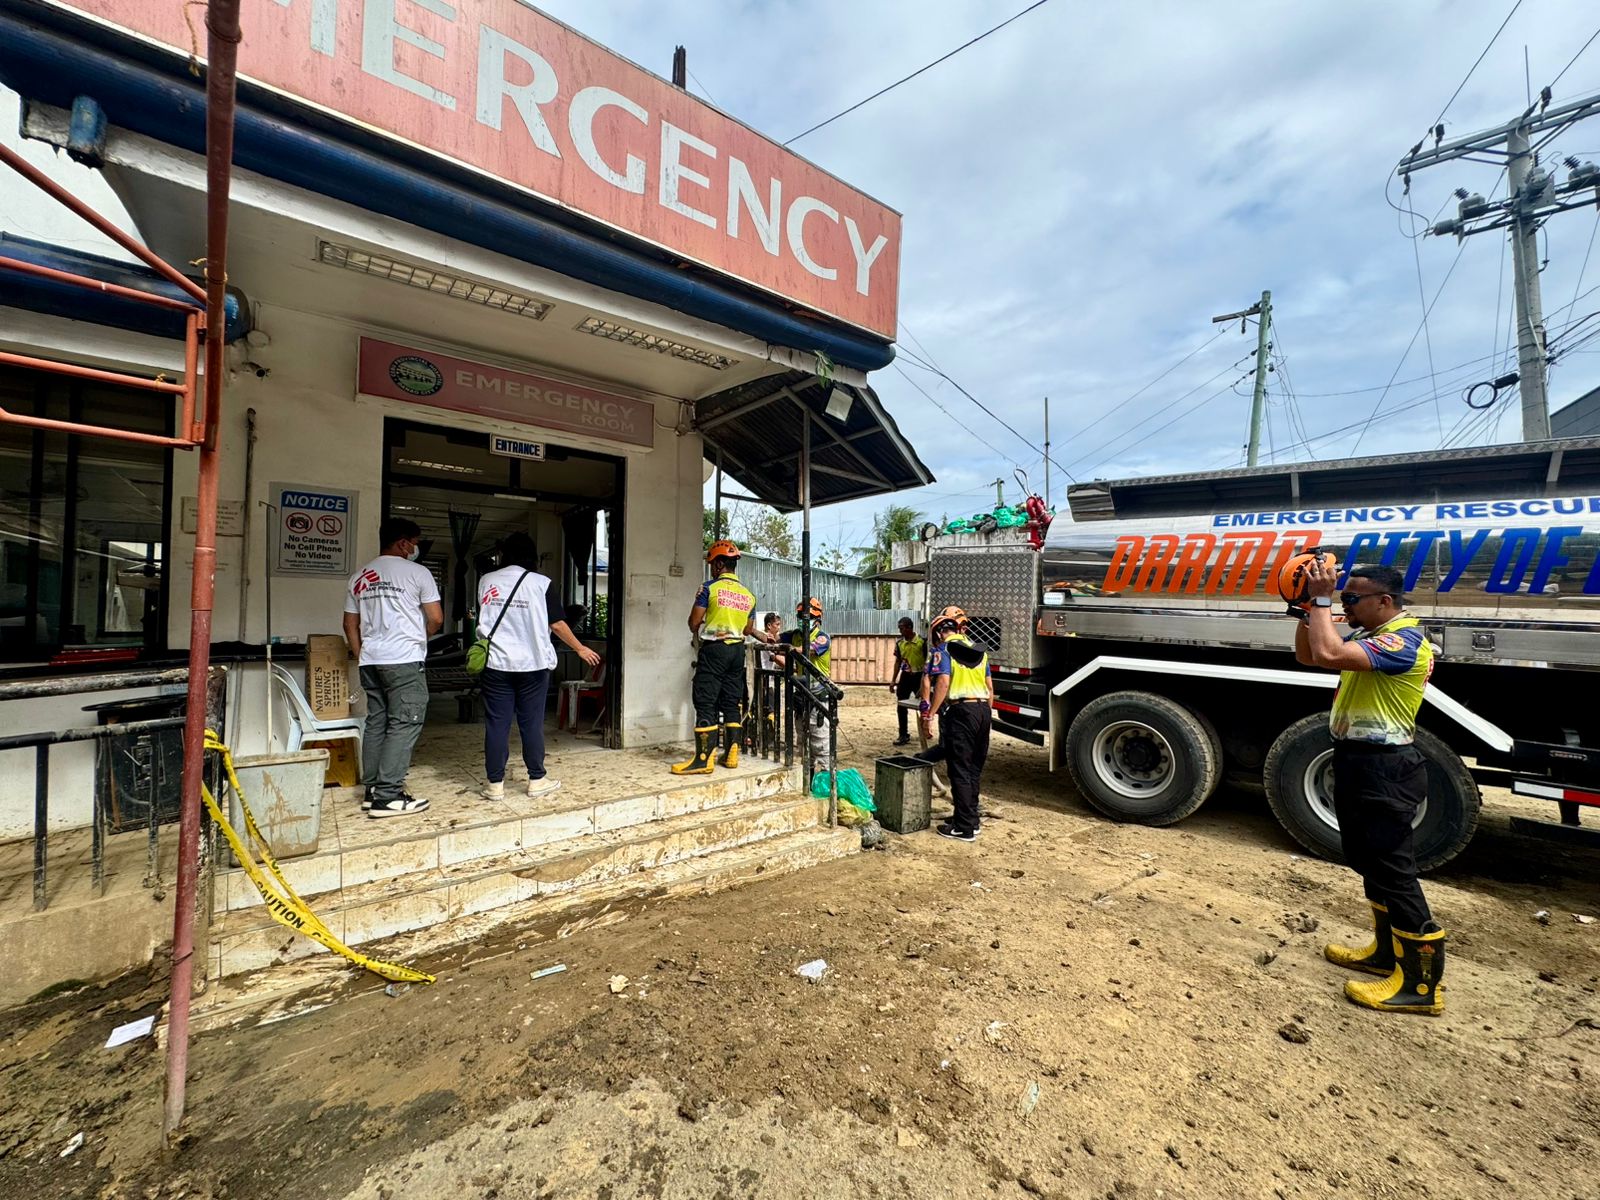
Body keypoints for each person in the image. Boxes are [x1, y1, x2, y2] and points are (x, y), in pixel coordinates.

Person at [1295, 561, 1446, 1016]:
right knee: (1369, 861)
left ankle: (1421, 987)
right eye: (1342, 598)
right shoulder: (1370, 636)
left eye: (1351, 598)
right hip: (1358, 761)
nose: (1345, 606)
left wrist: (1322, 602)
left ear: (1384, 600)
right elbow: (1308, 655)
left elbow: (1328, 655)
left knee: (1394, 871)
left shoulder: (1403, 640)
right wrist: (1306, 608)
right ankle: (1385, 954)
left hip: (1386, 767)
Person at [478, 532, 600, 801]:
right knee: (531, 723)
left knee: (496, 724)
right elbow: (557, 624)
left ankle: (494, 785)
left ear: (505, 554)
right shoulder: (541, 583)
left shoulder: (486, 580)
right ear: (531, 556)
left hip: (495, 664)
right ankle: (536, 779)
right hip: (532, 666)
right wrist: (579, 648)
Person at [343, 517, 443, 819]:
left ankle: (372, 791)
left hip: (371, 660)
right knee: (405, 722)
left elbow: (349, 624)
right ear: (403, 543)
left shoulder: (360, 576)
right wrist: (418, 639)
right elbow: (436, 618)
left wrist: (362, 654)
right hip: (403, 660)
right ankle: (388, 797)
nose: (415, 549)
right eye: (414, 543)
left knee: (377, 721)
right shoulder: (418, 573)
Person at [675, 541, 767, 774]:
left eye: (711, 565)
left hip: (714, 650)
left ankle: (703, 760)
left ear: (718, 564)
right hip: (737, 652)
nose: (711, 569)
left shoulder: (709, 588)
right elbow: (747, 629)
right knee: (731, 701)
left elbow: (694, 623)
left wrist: (703, 616)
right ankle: (731, 754)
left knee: (705, 700)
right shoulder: (749, 596)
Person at [917, 606, 992, 843]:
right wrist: (984, 713)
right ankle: (969, 818)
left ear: (939, 633)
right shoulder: (979, 651)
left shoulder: (943, 650)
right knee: (973, 769)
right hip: (983, 710)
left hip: (961, 711)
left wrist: (930, 714)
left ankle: (963, 828)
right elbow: (990, 688)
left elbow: (942, 683)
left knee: (959, 770)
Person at [782, 597, 835, 777]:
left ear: (817, 619)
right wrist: (751, 630)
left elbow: (807, 650)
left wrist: (789, 648)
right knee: (803, 743)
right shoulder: (794, 635)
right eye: (800, 616)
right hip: (802, 696)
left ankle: (828, 782)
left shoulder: (822, 638)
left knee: (821, 743)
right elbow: (773, 640)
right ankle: (809, 779)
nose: (803, 620)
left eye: (808, 616)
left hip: (819, 697)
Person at [889, 616, 928, 746]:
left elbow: (927, 661)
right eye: (899, 628)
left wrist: (927, 679)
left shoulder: (922, 642)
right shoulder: (900, 643)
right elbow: (898, 662)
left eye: (902, 628)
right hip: (905, 676)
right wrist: (893, 680)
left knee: (923, 705)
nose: (900, 631)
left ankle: (925, 731)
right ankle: (903, 734)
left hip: (920, 677)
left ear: (910, 628)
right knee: (901, 705)